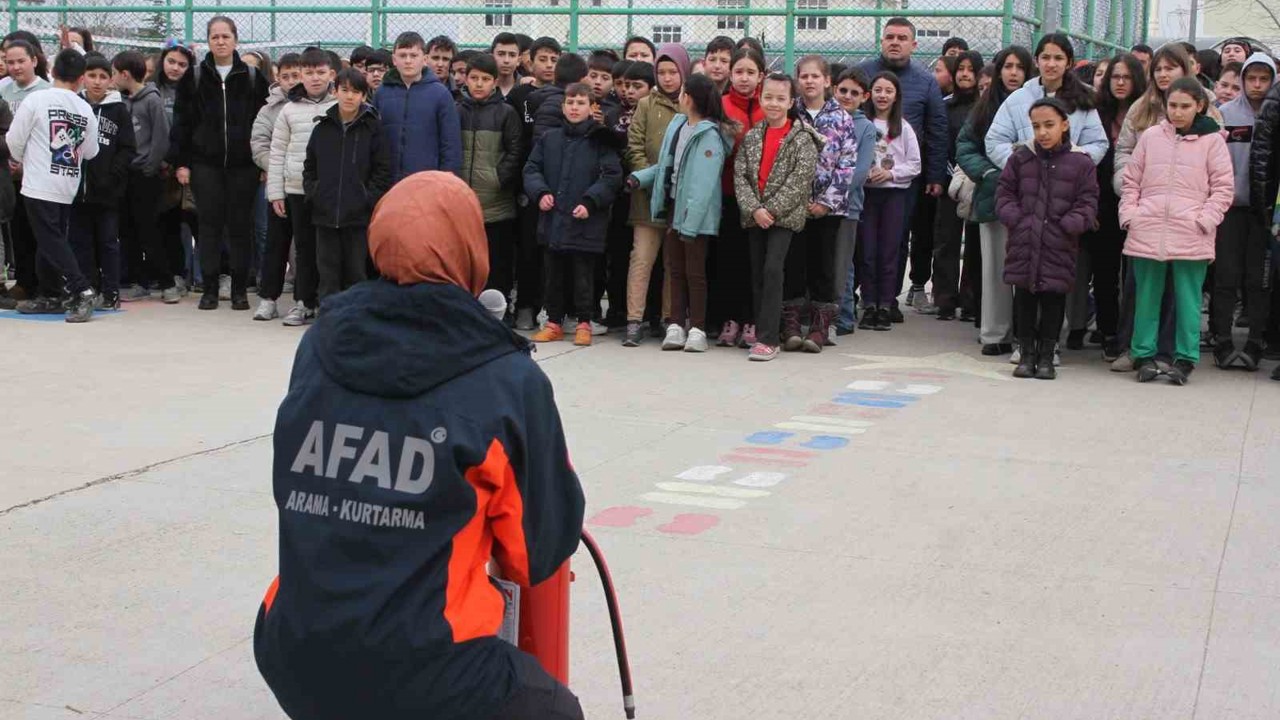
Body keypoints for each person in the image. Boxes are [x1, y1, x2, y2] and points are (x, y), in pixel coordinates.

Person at [253, 169, 586, 720]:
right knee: (554, 710)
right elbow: (535, 555)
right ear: (471, 249)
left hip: (291, 646)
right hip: (426, 672)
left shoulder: (319, 344)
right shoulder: (506, 379)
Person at [986, 34, 1106, 363]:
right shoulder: (1017, 99)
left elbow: (1099, 142)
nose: (1051, 63)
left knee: (1057, 282)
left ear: (1068, 62)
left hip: (1063, 203)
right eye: (1045, 57)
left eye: (1058, 57)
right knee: (1024, 282)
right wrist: (1020, 160)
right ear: (1036, 61)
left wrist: (1077, 160)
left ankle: (1050, 344)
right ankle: (1025, 346)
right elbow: (994, 139)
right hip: (1028, 202)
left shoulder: (1083, 99)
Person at [1120, 78, 1234, 385]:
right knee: (1146, 296)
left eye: (1185, 106)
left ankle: (1185, 359)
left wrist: (1205, 219)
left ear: (1199, 106)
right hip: (1148, 228)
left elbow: (1223, 188)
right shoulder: (1151, 137)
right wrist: (1131, 215)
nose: (1178, 112)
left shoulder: (1213, 141)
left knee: (1188, 299)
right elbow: (1132, 180)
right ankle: (1143, 355)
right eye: (1173, 105)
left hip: (1191, 231)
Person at [169, 16, 270, 311]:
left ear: (235, 40)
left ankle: (240, 289)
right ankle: (209, 288)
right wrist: (182, 162)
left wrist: (262, 162)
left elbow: (265, 123)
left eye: (226, 36)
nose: (221, 41)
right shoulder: (195, 77)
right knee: (209, 227)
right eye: (215, 36)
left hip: (244, 166)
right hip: (205, 166)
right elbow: (182, 123)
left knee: (240, 227)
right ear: (209, 41)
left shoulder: (252, 77)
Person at [997, 97, 1100, 380]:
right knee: (1025, 300)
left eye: (1049, 125)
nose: (1042, 132)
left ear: (1065, 125)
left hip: (1059, 244)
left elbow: (1088, 201)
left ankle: (1047, 356)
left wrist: (1070, 225)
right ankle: (1026, 354)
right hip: (1025, 242)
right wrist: (1017, 220)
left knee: (1054, 301)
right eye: (1036, 126)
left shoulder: (1081, 163)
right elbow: (1005, 193)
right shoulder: (1020, 158)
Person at [627, 73, 729, 353]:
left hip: (694, 217)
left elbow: (703, 185)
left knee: (695, 272)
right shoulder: (679, 126)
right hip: (673, 209)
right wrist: (640, 177)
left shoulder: (710, 136)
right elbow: (667, 165)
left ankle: (696, 328)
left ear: (690, 98)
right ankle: (675, 324)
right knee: (674, 269)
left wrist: (691, 225)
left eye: (683, 92)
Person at [858, 17, 947, 321]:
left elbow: (936, 129)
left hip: (904, 181)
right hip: (863, 183)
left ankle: (888, 299)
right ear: (881, 41)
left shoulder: (926, 82)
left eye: (902, 37)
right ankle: (866, 299)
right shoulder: (862, 73)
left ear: (914, 44)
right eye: (890, 37)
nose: (895, 42)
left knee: (897, 240)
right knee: (865, 242)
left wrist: (934, 175)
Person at [523, 83, 624, 346]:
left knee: (583, 276)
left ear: (592, 108)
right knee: (553, 274)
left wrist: (591, 201)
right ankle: (554, 322)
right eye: (570, 103)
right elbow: (531, 169)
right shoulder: (549, 139)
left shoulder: (601, 140)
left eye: (580, 103)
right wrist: (540, 193)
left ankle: (583, 323)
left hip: (585, 222)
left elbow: (612, 176)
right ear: (563, 106)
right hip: (553, 220)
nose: (574, 108)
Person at [8, 49, 99, 322]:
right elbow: (92, 151)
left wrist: (23, 157)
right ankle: (51, 294)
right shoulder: (85, 108)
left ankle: (82, 290)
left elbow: (14, 141)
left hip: (38, 182)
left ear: (53, 71)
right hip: (67, 182)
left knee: (50, 240)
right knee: (50, 239)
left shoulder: (37, 99)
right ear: (81, 78)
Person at [734, 72, 821, 361]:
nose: (773, 103)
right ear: (760, 98)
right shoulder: (753, 136)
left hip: (782, 218)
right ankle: (762, 331)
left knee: (773, 270)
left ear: (791, 102)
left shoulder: (802, 138)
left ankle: (769, 339)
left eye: (780, 98)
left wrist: (770, 210)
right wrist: (755, 209)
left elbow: (800, 180)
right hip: (755, 215)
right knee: (757, 272)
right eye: (768, 97)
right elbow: (741, 177)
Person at [955, 44, 1034, 355]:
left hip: (1032, 199)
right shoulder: (984, 107)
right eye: (1007, 66)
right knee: (995, 268)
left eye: (1020, 67)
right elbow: (965, 147)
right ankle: (995, 334)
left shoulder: (1037, 103)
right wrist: (987, 173)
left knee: (1029, 270)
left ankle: (1027, 332)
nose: (1013, 73)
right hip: (994, 196)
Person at [1070, 53, 1145, 361]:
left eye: (1127, 77)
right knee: (1104, 272)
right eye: (1115, 77)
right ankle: (1108, 330)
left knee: (1134, 276)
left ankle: (1131, 334)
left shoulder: (1146, 113)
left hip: (1138, 205)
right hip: (1101, 204)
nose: (1121, 82)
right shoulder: (1095, 112)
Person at [786, 54, 856, 352]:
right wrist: (794, 200)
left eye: (816, 76)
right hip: (793, 207)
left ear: (828, 81)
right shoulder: (791, 114)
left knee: (824, 267)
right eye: (804, 76)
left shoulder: (842, 118)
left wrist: (827, 202)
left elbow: (847, 164)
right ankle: (790, 325)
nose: (810, 81)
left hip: (829, 209)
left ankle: (820, 327)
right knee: (793, 264)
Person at [1210, 52, 1276, 370]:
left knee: (1258, 280)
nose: (1257, 85)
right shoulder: (1225, 114)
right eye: (1252, 78)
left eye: (1264, 79)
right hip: (1230, 209)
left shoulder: (1275, 114)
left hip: (1263, 212)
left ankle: (1255, 342)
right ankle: (1221, 339)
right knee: (1225, 277)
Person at [303, 68, 389, 303]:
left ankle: (355, 316)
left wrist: (367, 198)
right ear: (335, 91)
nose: (349, 96)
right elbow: (309, 166)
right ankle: (328, 314)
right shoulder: (322, 128)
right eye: (345, 90)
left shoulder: (373, 129)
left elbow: (382, 171)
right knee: (327, 270)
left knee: (356, 270)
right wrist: (315, 192)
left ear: (364, 95)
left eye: (356, 92)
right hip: (325, 213)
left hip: (358, 216)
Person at [622, 43, 688, 347]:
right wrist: (650, 176)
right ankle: (634, 321)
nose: (667, 78)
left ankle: (668, 318)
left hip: (678, 198)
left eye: (673, 71)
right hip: (647, 196)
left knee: (673, 263)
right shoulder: (646, 104)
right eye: (661, 72)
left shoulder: (691, 104)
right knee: (642, 259)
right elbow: (634, 144)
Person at [268, 47, 337, 326]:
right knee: (304, 249)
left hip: (332, 191)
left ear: (332, 74)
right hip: (297, 189)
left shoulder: (340, 105)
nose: (315, 78)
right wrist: (276, 192)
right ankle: (303, 302)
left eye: (321, 72)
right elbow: (277, 152)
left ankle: (327, 302)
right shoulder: (289, 109)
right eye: (309, 73)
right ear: (301, 76)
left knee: (330, 249)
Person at [458, 53, 523, 315]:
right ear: (465, 79)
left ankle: (501, 310)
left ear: (495, 82)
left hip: (497, 205)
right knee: (464, 262)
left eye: (485, 79)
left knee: (498, 262)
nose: (479, 84)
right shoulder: (456, 110)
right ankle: (466, 311)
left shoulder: (506, 113)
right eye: (474, 78)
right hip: (462, 204)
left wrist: (497, 178)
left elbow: (516, 151)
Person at [856, 71, 922, 333]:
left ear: (896, 96)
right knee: (867, 250)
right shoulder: (864, 124)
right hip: (868, 195)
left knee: (889, 250)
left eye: (888, 91)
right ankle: (869, 303)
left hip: (894, 195)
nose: (882, 95)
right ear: (869, 94)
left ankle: (885, 304)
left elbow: (914, 165)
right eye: (878, 90)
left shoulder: (903, 128)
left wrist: (891, 173)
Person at [70, 52, 135, 311]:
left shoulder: (118, 109)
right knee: (81, 243)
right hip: (76, 190)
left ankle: (111, 291)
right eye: (91, 76)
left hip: (108, 192)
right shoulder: (74, 104)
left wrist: (112, 176)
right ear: (82, 78)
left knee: (108, 242)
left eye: (103, 77)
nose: (97, 82)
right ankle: (89, 288)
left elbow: (128, 148)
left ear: (111, 80)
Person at [110, 50, 174, 304]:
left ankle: (167, 282)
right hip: (125, 174)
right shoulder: (120, 101)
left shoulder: (151, 100)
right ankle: (139, 281)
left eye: (114, 73)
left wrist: (150, 167)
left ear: (125, 74)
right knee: (127, 230)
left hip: (145, 175)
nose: (113, 77)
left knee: (148, 229)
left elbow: (160, 138)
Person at [715, 47, 766, 347]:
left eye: (750, 72)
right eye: (739, 72)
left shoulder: (768, 105)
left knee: (755, 263)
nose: (744, 78)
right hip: (728, 196)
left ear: (761, 75)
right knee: (728, 261)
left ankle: (752, 321)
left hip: (761, 201)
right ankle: (729, 319)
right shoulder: (720, 105)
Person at [929, 50, 983, 321]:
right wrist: (939, 177)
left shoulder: (985, 106)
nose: (965, 74)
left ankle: (971, 301)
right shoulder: (944, 105)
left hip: (976, 180)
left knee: (974, 243)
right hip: (948, 180)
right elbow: (938, 142)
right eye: (960, 68)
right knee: (946, 241)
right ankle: (945, 299)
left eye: (971, 69)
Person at [374, 32, 461, 183]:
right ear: (394, 59)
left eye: (413, 55)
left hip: (427, 182)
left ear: (424, 59)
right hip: (388, 182)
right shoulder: (382, 93)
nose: (408, 61)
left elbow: (450, 145)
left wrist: (446, 181)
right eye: (403, 55)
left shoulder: (440, 94)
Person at [832, 68, 878, 335]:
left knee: (843, 264)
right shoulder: (826, 120)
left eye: (854, 93)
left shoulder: (866, 129)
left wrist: (831, 195)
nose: (847, 96)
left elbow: (859, 172)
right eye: (843, 91)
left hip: (847, 206)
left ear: (865, 97)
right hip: (818, 206)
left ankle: (844, 317)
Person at [490, 32, 522, 99]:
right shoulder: (481, 88)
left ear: (519, 60)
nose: (506, 60)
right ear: (492, 57)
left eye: (512, 55)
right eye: (501, 54)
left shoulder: (526, 87)